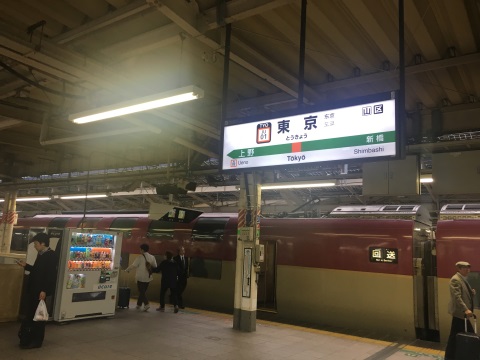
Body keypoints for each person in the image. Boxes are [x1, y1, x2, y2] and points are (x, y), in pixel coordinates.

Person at [16, 233, 57, 349]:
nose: (34, 246)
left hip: (41, 291)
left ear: (42, 243)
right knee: (32, 314)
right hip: (34, 289)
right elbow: (37, 270)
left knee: (39, 317)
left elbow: (50, 275)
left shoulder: (51, 256)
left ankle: (37, 341)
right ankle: (28, 337)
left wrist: (44, 290)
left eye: (35, 244)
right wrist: (26, 265)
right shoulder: (41, 254)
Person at [444, 261, 476, 360]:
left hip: (462, 314)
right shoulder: (455, 280)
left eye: (468, 268)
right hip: (460, 313)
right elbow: (457, 297)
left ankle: (450, 356)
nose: (468, 270)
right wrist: (466, 309)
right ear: (459, 269)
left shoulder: (462, 279)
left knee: (454, 336)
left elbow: (462, 294)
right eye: (465, 268)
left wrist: (471, 293)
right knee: (470, 335)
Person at [125, 244, 157, 311]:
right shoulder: (152, 257)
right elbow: (155, 266)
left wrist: (127, 269)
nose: (139, 250)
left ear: (142, 249)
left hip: (140, 277)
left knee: (141, 291)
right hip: (148, 277)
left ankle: (146, 304)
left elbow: (134, 265)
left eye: (140, 249)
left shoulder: (140, 257)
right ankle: (138, 305)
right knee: (143, 291)